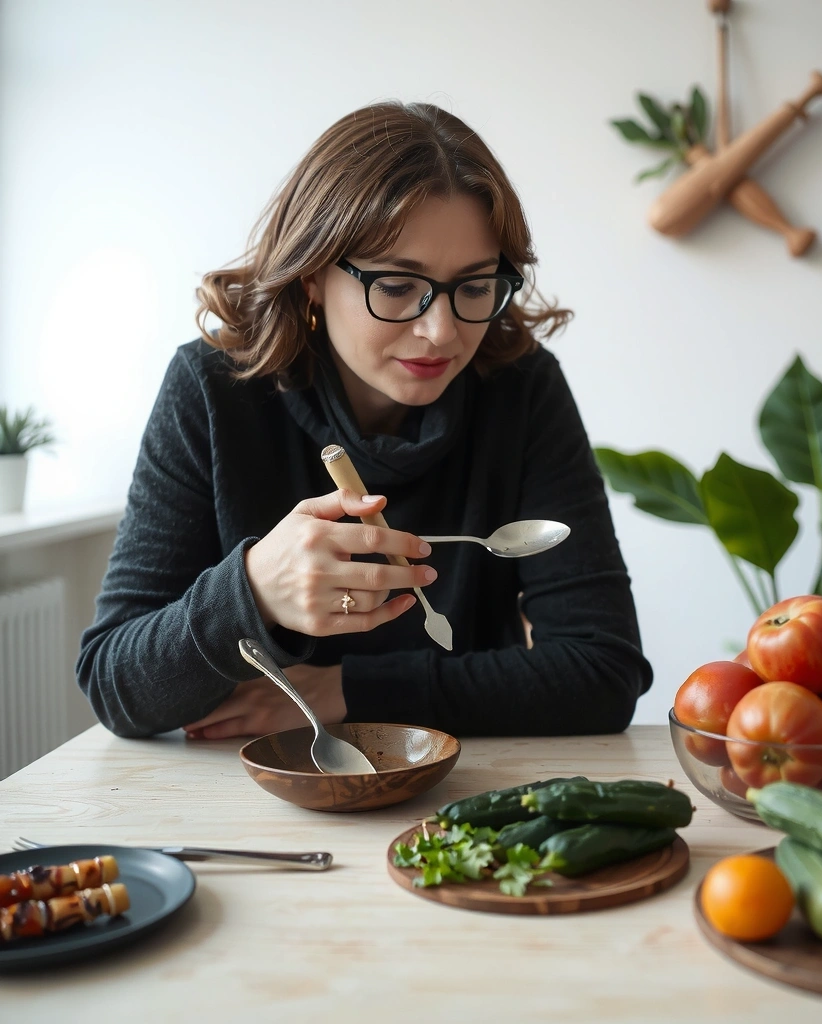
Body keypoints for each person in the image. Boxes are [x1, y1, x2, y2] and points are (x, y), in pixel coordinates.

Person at [77, 101, 653, 741]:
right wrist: (254, 591)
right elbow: (116, 686)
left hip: (466, 793)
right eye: (398, 286)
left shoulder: (520, 388)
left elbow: (605, 671)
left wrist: (344, 691)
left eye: (474, 285)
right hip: (250, 796)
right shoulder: (214, 389)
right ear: (313, 277)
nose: (441, 331)